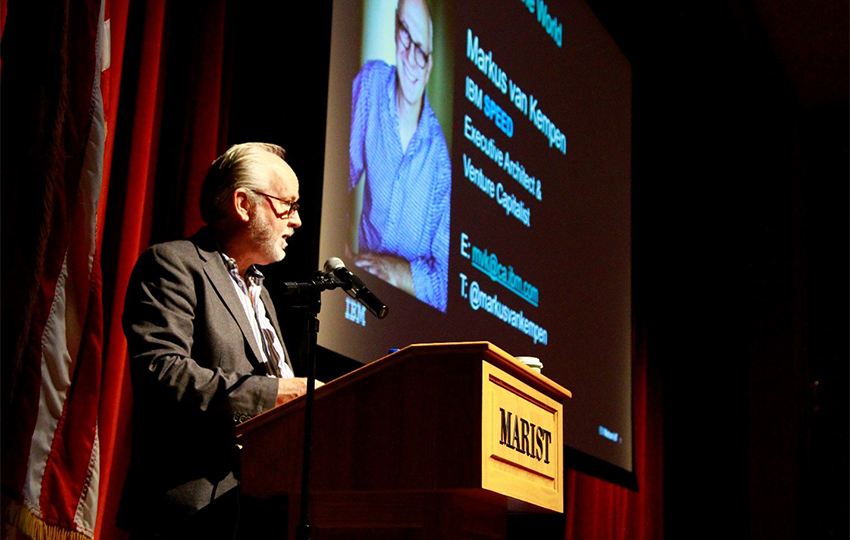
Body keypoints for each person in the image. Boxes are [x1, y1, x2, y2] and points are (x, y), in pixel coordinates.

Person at [119, 143, 315, 539]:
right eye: (288, 205)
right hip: (191, 513)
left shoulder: (261, 293)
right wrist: (277, 394)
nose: (296, 221)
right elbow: (164, 373)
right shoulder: (174, 265)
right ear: (244, 204)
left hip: (264, 509)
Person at [349, 0, 451, 312]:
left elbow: (443, 284)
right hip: (353, 302)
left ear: (430, 64)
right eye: (405, 33)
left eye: (421, 50)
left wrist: (389, 271)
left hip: (405, 321)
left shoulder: (440, 164)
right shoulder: (371, 84)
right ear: (395, 28)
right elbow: (338, 176)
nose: (409, 56)